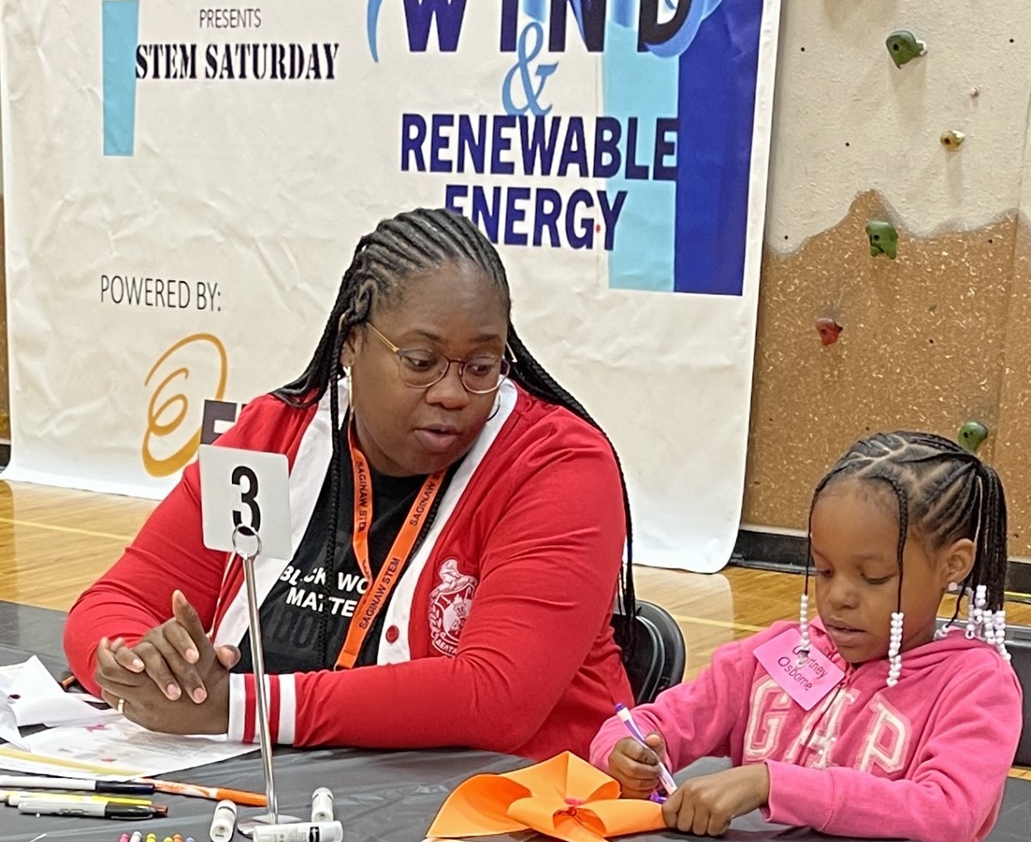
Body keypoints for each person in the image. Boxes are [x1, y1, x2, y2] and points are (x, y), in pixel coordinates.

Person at [65, 208, 638, 760]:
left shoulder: (560, 464)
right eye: (420, 361)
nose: (452, 392)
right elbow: (114, 602)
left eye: (481, 367)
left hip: (513, 821)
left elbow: (494, 698)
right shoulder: (273, 435)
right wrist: (133, 665)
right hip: (293, 794)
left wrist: (238, 707)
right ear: (352, 342)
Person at [591, 431, 1023, 842]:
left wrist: (772, 783)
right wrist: (624, 754)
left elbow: (947, 815)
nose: (838, 597)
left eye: (873, 578)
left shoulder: (977, 684)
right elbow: (652, 723)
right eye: (824, 571)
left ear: (953, 565)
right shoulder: (777, 654)